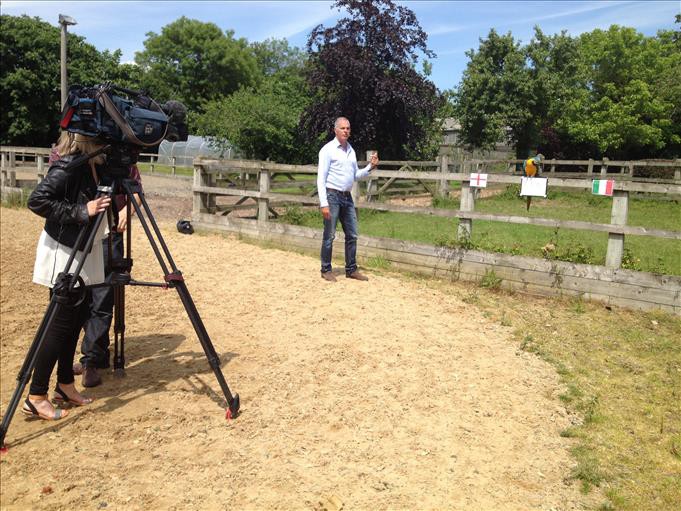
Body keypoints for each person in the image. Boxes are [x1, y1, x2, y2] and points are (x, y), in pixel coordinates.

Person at [24, 133, 111, 420]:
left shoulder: (97, 164)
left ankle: (64, 384)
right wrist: (80, 210)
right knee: (59, 323)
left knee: (76, 317)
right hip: (66, 251)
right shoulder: (71, 165)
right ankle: (36, 395)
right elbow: (37, 200)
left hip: (85, 246)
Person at [49, 132, 142, 387]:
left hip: (109, 232)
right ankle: (82, 359)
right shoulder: (69, 157)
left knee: (102, 298)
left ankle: (92, 359)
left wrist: (126, 209)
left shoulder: (117, 157)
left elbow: (136, 191)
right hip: (80, 231)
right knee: (79, 298)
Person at [317, 117, 379, 282]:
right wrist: (323, 203)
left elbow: (355, 175)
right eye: (343, 128)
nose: (346, 131)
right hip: (332, 197)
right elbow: (320, 179)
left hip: (347, 197)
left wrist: (369, 167)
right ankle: (326, 269)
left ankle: (351, 269)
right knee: (329, 235)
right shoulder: (327, 150)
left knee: (352, 234)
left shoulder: (350, 150)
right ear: (335, 130)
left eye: (348, 128)